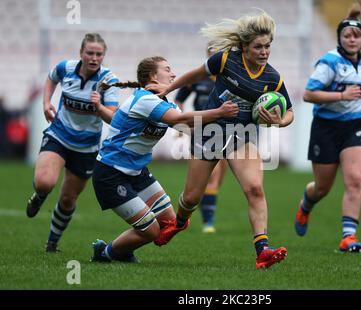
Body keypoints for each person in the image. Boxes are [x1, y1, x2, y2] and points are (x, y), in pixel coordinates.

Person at [148, 10, 294, 269]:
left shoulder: (272, 78)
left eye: (268, 46)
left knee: (255, 189)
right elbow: (195, 74)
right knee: (192, 198)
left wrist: (279, 121)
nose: (264, 52)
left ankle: (262, 250)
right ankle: (179, 222)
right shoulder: (226, 59)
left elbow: (290, 112)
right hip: (210, 131)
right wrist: (168, 89)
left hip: (243, 136)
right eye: (258, 47)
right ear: (244, 47)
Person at [89, 56, 238, 263]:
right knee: (151, 231)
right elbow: (178, 119)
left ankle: (124, 249)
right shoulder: (144, 99)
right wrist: (219, 111)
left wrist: (230, 132)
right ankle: (106, 253)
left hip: (137, 173)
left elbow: (190, 128)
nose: (173, 74)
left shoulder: (163, 103)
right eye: (168, 69)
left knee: (171, 222)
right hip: (111, 174)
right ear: (152, 76)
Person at [294, 4, 361, 253]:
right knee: (322, 187)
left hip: (354, 126)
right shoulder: (329, 62)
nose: (352, 40)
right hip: (326, 128)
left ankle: (348, 237)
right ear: (340, 39)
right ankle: (306, 205)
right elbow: (309, 94)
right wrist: (342, 95)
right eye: (347, 35)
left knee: (354, 180)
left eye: (356, 36)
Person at [25, 33, 119, 253]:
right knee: (45, 183)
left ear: (103, 56)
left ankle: (52, 242)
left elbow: (112, 117)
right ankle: (39, 196)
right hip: (59, 136)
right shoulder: (66, 68)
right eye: (90, 53)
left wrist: (99, 107)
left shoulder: (108, 81)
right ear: (81, 53)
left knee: (68, 200)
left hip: (86, 147)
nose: (94, 58)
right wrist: (47, 102)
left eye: (99, 54)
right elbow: (51, 78)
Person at [173, 44, 227, 234]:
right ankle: (208, 223)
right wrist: (180, 122)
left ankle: (201, 210)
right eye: (212, 53)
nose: (215, 56)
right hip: (203, 129)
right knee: (210, 177)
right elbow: (178, 99)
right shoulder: (199, 76)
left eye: (219, 52)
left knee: (217, 179)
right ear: (207, 54)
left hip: (229, 131)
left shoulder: (232, 77)